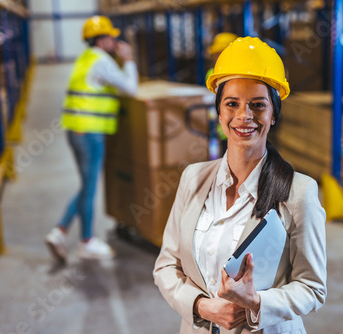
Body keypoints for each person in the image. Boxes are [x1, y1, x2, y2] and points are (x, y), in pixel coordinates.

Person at [153, 37, 326, 333]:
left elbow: (312, 288)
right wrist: (201, 306)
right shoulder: (193, 179)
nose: (244, 115)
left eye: (258, 105)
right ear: (219, 113)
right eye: (232, 104)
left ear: (273, 115)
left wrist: (258, 303)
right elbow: (166, 266)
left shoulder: (299, 193)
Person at [45, 16, 138, 261]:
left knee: (87, 186)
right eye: (111, 37)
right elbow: (131, 88)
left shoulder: (86, 59)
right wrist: (128, 60)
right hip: (90, 134)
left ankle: (60, 231)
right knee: (89, 187)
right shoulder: (102, 62)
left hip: (77, 131)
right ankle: (86, 242)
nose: (115, 41)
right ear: (102, 39)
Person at [206, 32, 238, 155]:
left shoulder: (241, 75)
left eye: (219, 54)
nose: (215, 58)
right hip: (222, 129)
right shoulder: (212, 73)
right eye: (215, 54)